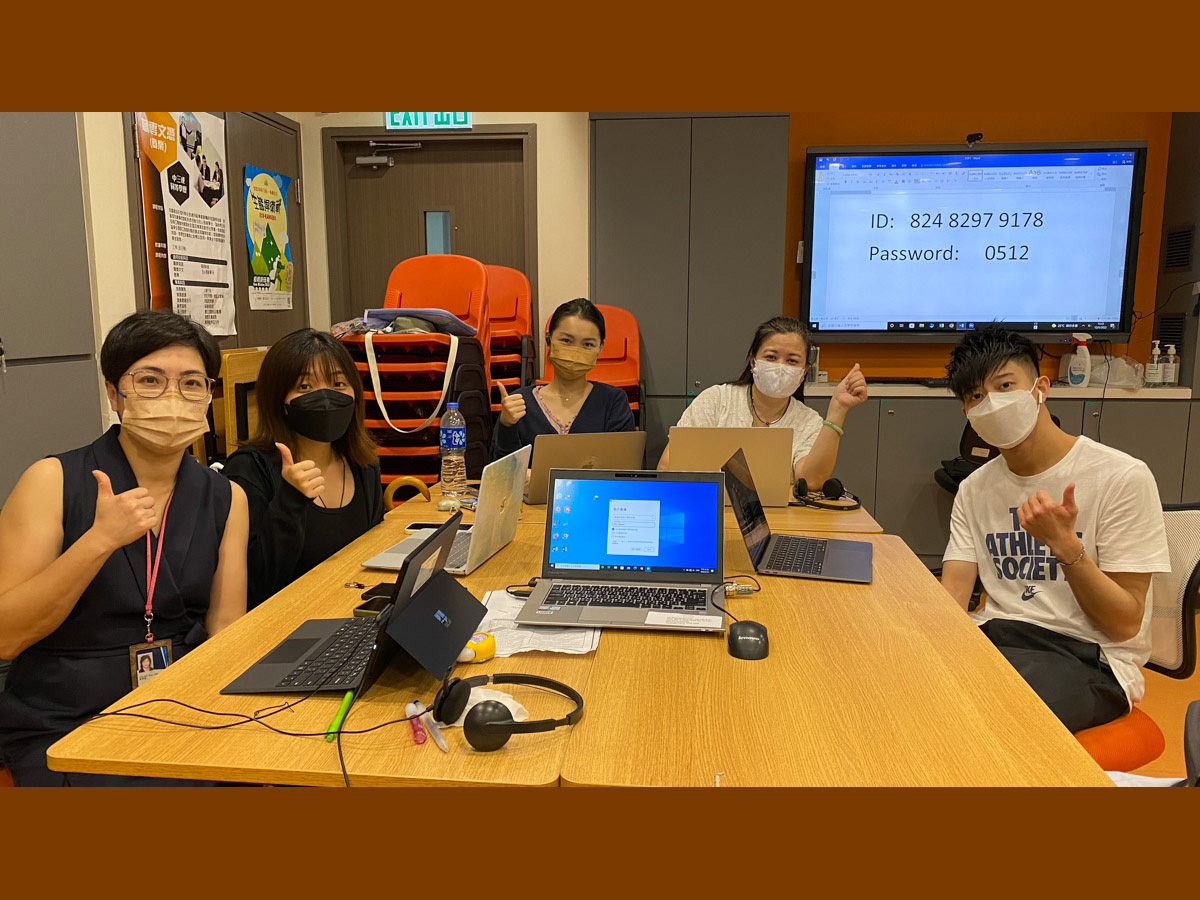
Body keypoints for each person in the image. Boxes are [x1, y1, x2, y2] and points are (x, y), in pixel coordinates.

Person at [0, 311, 248, 786]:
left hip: (180, 703)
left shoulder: (227, 497)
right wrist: (99, 541)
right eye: (150, 380)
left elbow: (226, 631)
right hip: (67, 718)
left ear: (208, 396)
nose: (173, 398)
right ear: (114, 393)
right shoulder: (51, 481)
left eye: (191, 383)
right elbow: (7, 637)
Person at [940, 325, 1170, 733]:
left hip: (1089, 658)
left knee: (986, 714)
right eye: (976, 396)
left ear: (1040, 388)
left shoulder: (1121, 477)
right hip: (998, 638)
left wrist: (1065, 546)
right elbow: (952, 599)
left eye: (1005, 385)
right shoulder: (975, 488)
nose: (993, 403)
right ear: (967, 415)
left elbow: (1124, 624)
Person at [223, 329, 382, 609]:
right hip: (285, 622)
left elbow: (371, 556)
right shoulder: (249, 469)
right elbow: (253, 588)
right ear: (278, 399)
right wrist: (290, 500)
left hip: (351, 613)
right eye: (305, 387)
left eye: (338, 383)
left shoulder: (363, 465)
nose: (325, 398)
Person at [657, 316, 868, 484]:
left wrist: (838, 409)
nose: (780, 367)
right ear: (753, 362)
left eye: (792, 360)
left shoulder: (809, 421)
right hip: (711, 511)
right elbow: (667, 466)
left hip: (784, 517)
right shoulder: (716, 400)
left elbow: (810, 480)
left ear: (804, 371)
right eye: (771, 357)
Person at [492, 298, 635, 459]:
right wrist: (506, 425)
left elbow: (624, 464)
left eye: (588, 344)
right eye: (566, 341)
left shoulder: (613, 401)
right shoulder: (519, 403)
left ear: (600, 347)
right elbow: (502, 470)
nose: (575, 352)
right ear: (549, 340)